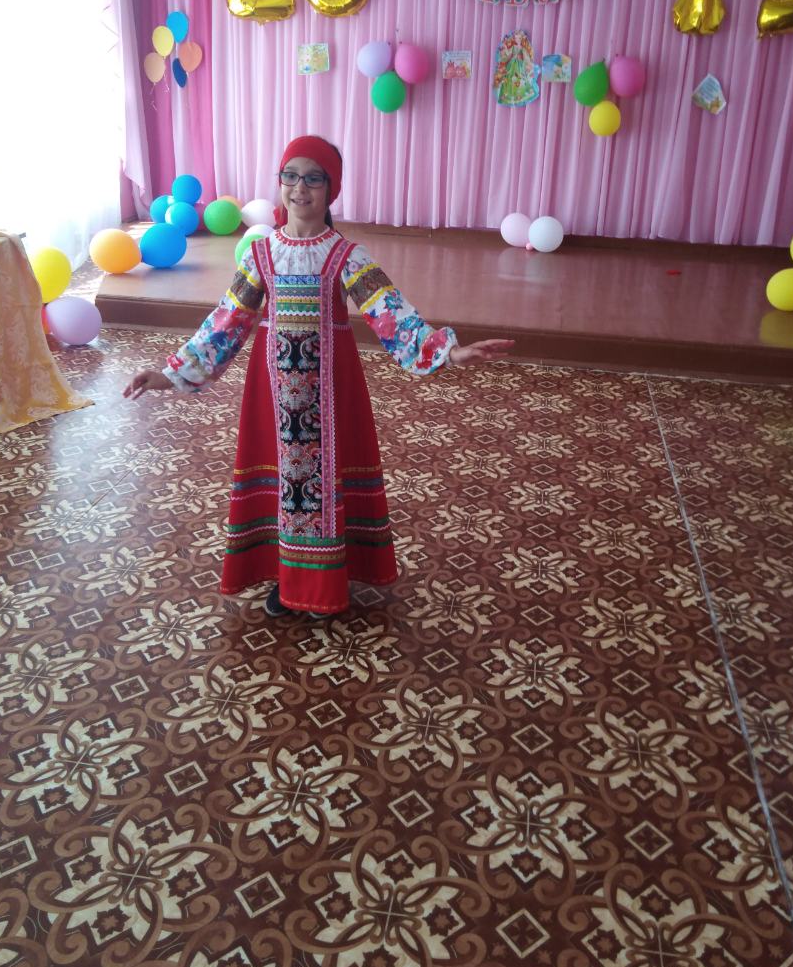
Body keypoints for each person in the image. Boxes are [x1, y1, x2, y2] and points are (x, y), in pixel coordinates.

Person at [124, 136, 513, 619]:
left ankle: (323, 584)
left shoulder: (346, 256)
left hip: (330, 393)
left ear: (332, 189)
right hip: (273, 395)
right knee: (284, 481)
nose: (299, 188)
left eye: (313, 178)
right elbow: (226, 323)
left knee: (324, 480)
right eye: (290, 176)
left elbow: (392, 315)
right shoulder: (260, 254)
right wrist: (167, 375)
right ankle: (286, 579)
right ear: (279, 183)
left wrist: (448, 352)